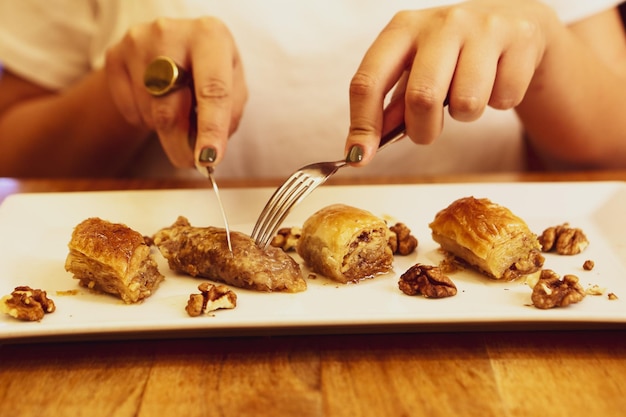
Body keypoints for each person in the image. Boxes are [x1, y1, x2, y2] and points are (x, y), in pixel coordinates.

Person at [0, 0, 625, 179]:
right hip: (145, 342)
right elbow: (14, 146)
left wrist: (544, 45)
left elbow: (615, 147)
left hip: (504, 327)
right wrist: (121, 97)